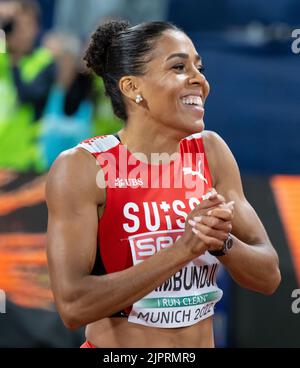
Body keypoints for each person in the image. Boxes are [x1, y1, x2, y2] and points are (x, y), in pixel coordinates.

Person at [46, 20, 281, 348]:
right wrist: (184, 248)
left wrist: (220, 241)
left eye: (199, 67)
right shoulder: (83, 167)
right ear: (131, 88)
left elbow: (269, 275)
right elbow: (72, 306)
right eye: (179, 67)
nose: (199, 80)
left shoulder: (210, 151)